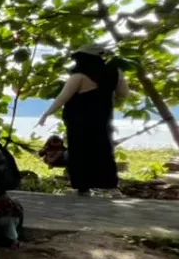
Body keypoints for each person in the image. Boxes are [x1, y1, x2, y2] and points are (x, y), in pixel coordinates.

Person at [37, 44, 128, 196]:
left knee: (79, 152)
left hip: (78, 120)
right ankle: (111, 186)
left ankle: (82, 187)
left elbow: (63, 97)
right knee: (104, 151)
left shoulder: (79, 75)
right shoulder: (116, 72)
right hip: (103, 118)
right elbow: (123, 93)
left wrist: (46, 114)